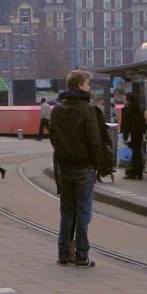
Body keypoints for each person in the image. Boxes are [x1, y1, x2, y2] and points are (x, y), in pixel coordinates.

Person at [50, 69, 102, 268]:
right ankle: (82, 255)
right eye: (88, 84)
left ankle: (64, 253)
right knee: (83, 212)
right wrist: (95, 164)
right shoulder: (87, 109)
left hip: (64, 166)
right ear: (81, 85)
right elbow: (94, 141)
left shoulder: (57, 109)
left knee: (67, 211)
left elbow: (54, 138)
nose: (89, 88)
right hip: (83, 166)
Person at [120, 93, 145, 180]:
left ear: (128, 100)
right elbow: (143, 124)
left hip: (130, 136)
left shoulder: (128, 110)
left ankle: (131, 172)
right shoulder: (139, 110)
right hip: (137, 136)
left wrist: (125, 137)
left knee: (130, 154)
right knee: (137, 154)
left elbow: (126, 125)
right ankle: (139, 172)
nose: (124, 101)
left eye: (125, 99)